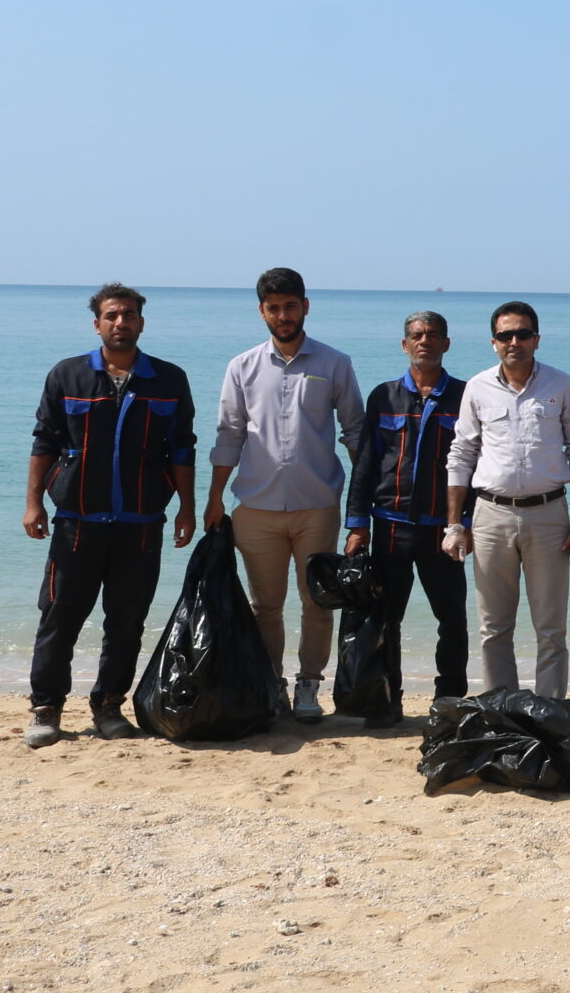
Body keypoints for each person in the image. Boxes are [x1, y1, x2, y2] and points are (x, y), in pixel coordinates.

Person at [22, 283, 197, 748]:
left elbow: (182, 447)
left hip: (140, 525)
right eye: (112, 315)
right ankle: (46, 708)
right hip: (77, 523)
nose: (121, 322)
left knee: (126, 622)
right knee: (59, 617)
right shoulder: (68, 375)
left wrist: (188, 507)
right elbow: (45, 440)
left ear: (141, 322)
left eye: (129, 315)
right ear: (97, 323)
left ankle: (108, 705)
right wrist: (34, 502)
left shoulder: (168, 379)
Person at [206, 267, 365, 725]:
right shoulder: (242, 367)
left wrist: (362, 508)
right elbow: (229, 435)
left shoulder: (335, 363)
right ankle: (270, 683)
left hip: (318, 505)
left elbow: (355, 433)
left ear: (305, 307)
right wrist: (214, 499)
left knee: (317, 602)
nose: (283, 315)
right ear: (262, 312)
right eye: (273, 308)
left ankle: (309, 683)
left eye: (290, 306)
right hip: (256, 507)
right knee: (265, 606)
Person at [444, 302, 570, 700]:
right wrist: (454, 525)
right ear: (493, 342)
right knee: (493, 628)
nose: (515, 342)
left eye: (523, 334)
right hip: (490, 515)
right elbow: (461, 454)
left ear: (537, 340)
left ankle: (550, 711)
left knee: (551, 629)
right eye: (506, 335)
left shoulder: (562, 385)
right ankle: (502, 711)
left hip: (549, 515)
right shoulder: (477, 387)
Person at [340, 311, 470, 721]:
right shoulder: (384, 396)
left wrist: (466, 522)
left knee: (452, 619)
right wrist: (357, 523)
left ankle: (449, 700)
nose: (424, 341)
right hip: (390, 528)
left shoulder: (466, 396)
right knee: (385, 619)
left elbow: (476, 464)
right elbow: (366, 463)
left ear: (446, 343)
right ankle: (386, 699)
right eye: (416, 335)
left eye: (432, 335)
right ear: (404, 344)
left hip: (442, 531)